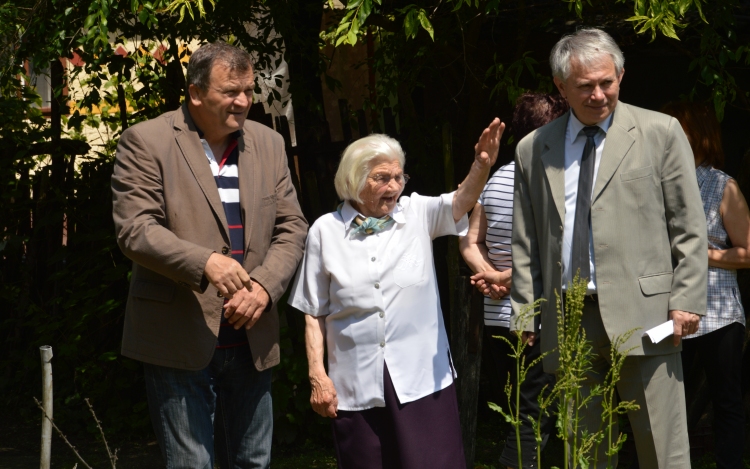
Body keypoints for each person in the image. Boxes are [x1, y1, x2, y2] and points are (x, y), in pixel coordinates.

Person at [510, 28, 707, 469]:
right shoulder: (534, 148)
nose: (599, 95)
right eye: (585, 86)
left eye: (607, 82)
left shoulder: (661, 132)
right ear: (561, 87)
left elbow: (690, 227)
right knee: (585, 451)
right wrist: (526, 310)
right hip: (567, 319)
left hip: (648, 315)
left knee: (664, 448)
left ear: (621, 74)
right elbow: (525, 239)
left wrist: (687, 300)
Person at [111, 42, 307, 468]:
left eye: (248, 90)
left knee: (253, 462)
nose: (242, 101)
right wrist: (206, 263)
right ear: (196, 93)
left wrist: (263, 287)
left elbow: (292, 228)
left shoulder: (269, 144)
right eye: (230, 91)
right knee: (191, 464)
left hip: (252, 334)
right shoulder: (147, 141)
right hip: (180, 334)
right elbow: (135, 229)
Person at [288, 120, 504, 469]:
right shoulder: (324, 232)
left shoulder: (416, 213)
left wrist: (481, 164)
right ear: (354, 182)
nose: (395, 186)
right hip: (355, 383)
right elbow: (314, 310)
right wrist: (317, 374)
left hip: (422, 378)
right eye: (383, 178)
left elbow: (462, 201)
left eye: (399, 177)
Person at [460, 93, 568, 469]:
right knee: (532, 414)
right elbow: (553, 248)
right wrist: (508, 275)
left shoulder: (496, 179)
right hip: (533, 314)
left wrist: (489, 273)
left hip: (495, 315)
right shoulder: (548, 180)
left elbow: (470, 242)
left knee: (517, 405)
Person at [662, 101, 750, 469]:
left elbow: (746, 254)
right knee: (664, 399)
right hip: (666, 308)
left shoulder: (722, 185)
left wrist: (702, 255)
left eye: (677, 129)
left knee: (725, 397)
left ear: (697, 134)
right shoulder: (655, 181)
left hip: (718, 311)